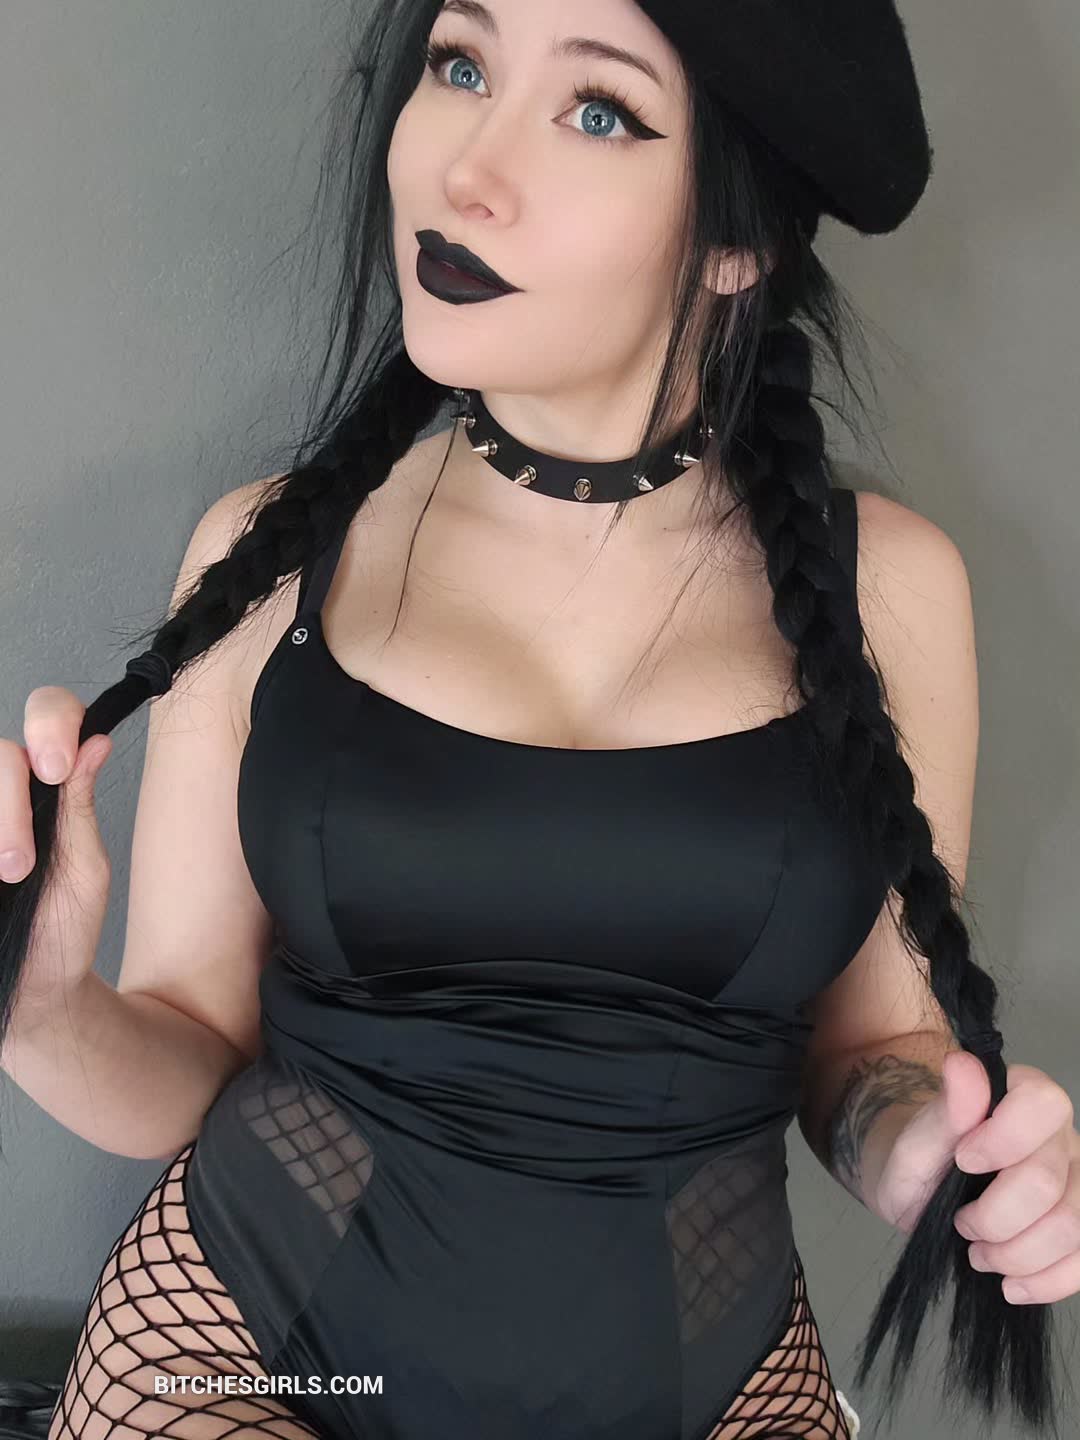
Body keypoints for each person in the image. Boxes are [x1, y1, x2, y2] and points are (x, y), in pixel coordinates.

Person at [1, 2, 1076, 1437]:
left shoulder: (890, 588)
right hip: (244, 1355)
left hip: (708, 1391)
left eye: (597, 111)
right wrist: (38, 1005)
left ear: (736, 240)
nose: (465, 168)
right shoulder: (267, 558)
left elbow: (867, 1060)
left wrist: (945, 1152)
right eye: (461, 66)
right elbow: (187, 1054)